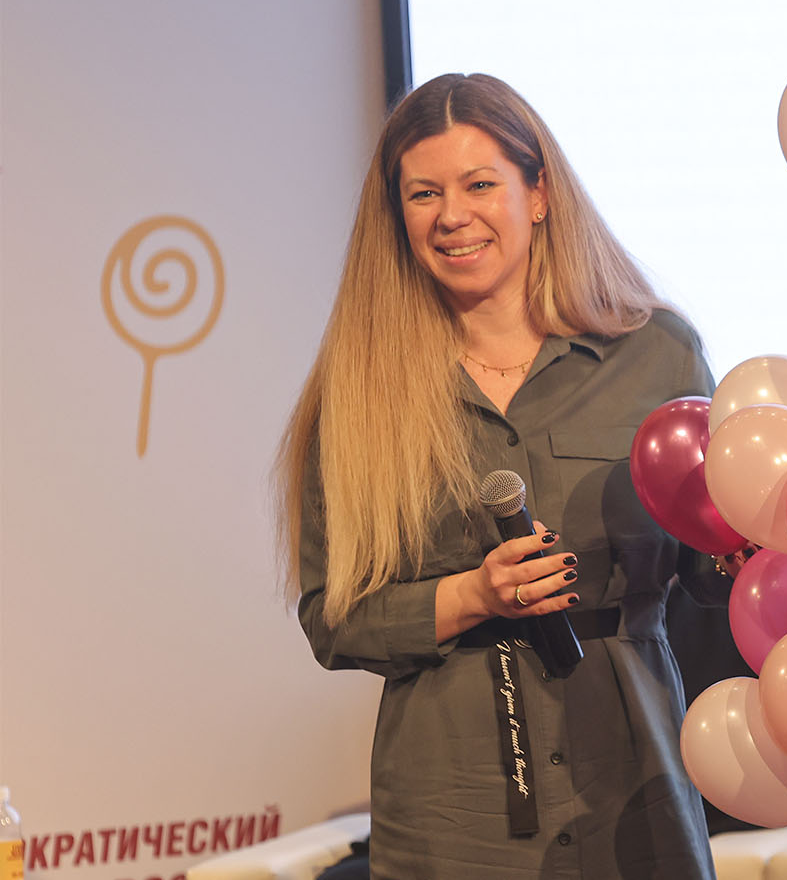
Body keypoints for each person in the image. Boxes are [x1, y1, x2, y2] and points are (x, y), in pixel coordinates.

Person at [277, 72, 729, 879]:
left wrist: (757, 544)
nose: (452, 215)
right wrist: (472, 596)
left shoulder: (657, 354)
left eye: (479, 184)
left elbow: (711, 570)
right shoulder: (358, 392)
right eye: (423, 194)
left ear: (540, 193)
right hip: (454, 816)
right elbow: (332, 618)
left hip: (635, 794)